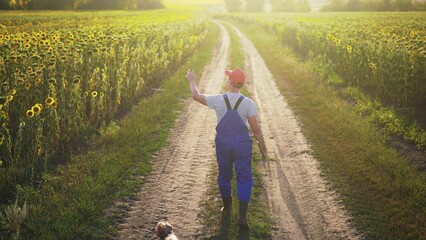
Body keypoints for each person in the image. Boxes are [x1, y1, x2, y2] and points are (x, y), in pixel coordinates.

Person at [185, 68, 267, 228]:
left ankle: (227, 208)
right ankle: (242, 216)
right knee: (244, 177)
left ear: (230, 82)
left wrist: (192, 81)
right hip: (242, 144)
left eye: (228, 78)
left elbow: (195, 96)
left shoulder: (218, 99)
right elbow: (256, 129)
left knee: (224, 176)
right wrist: (263, 147)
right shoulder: (248, 103)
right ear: (241, 84)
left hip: (223, 143)